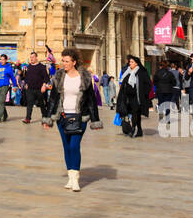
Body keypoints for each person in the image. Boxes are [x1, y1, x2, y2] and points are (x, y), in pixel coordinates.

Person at [43, 48, 102, 191]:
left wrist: (95, 120)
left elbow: (91, 100)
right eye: (63, 61)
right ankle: (70, 177)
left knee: (75, 146)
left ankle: (75, 180)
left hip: (80, 117)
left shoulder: (85, 77)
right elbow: (53, 99)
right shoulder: (59, 76)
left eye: (67, 61)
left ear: (74, 62)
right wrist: (48, 119)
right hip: (62, 117)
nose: (64, 64)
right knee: (67, 147)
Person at [116, 55, 151, 138]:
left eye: (132, 62)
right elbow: (124, 83)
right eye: (129, 62)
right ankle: (139, 130)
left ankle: (132, 129)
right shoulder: (127, 72)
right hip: (128, 98)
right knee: (136, 114)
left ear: (136, 63)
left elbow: (148, 84)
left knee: (135, 113)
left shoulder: (141, 72)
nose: (130, 63)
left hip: (137, 98)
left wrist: (144, 94)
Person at [21, 51, 50, 124]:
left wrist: (44, 85)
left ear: (36, 57)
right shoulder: (29, 66)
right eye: (30, 57)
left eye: (33, 57)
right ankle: (28, 119)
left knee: (42, 104)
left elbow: (46, 78)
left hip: (39, 89)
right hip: (30, 89)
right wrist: (26, 83)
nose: (31, 59)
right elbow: (26, 77)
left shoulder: (42, 67)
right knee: (29, 104)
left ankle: (45, 118)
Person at [152, 59, 178, 129]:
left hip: (160, 91)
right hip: (168, 91)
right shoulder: (170, 73)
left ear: (161, 66)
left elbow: (154, 81)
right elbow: (174, 82)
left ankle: (161, 117)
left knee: (160, 104)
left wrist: (158, 86)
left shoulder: (157, 72)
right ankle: (167, 118)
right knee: (167, 105)